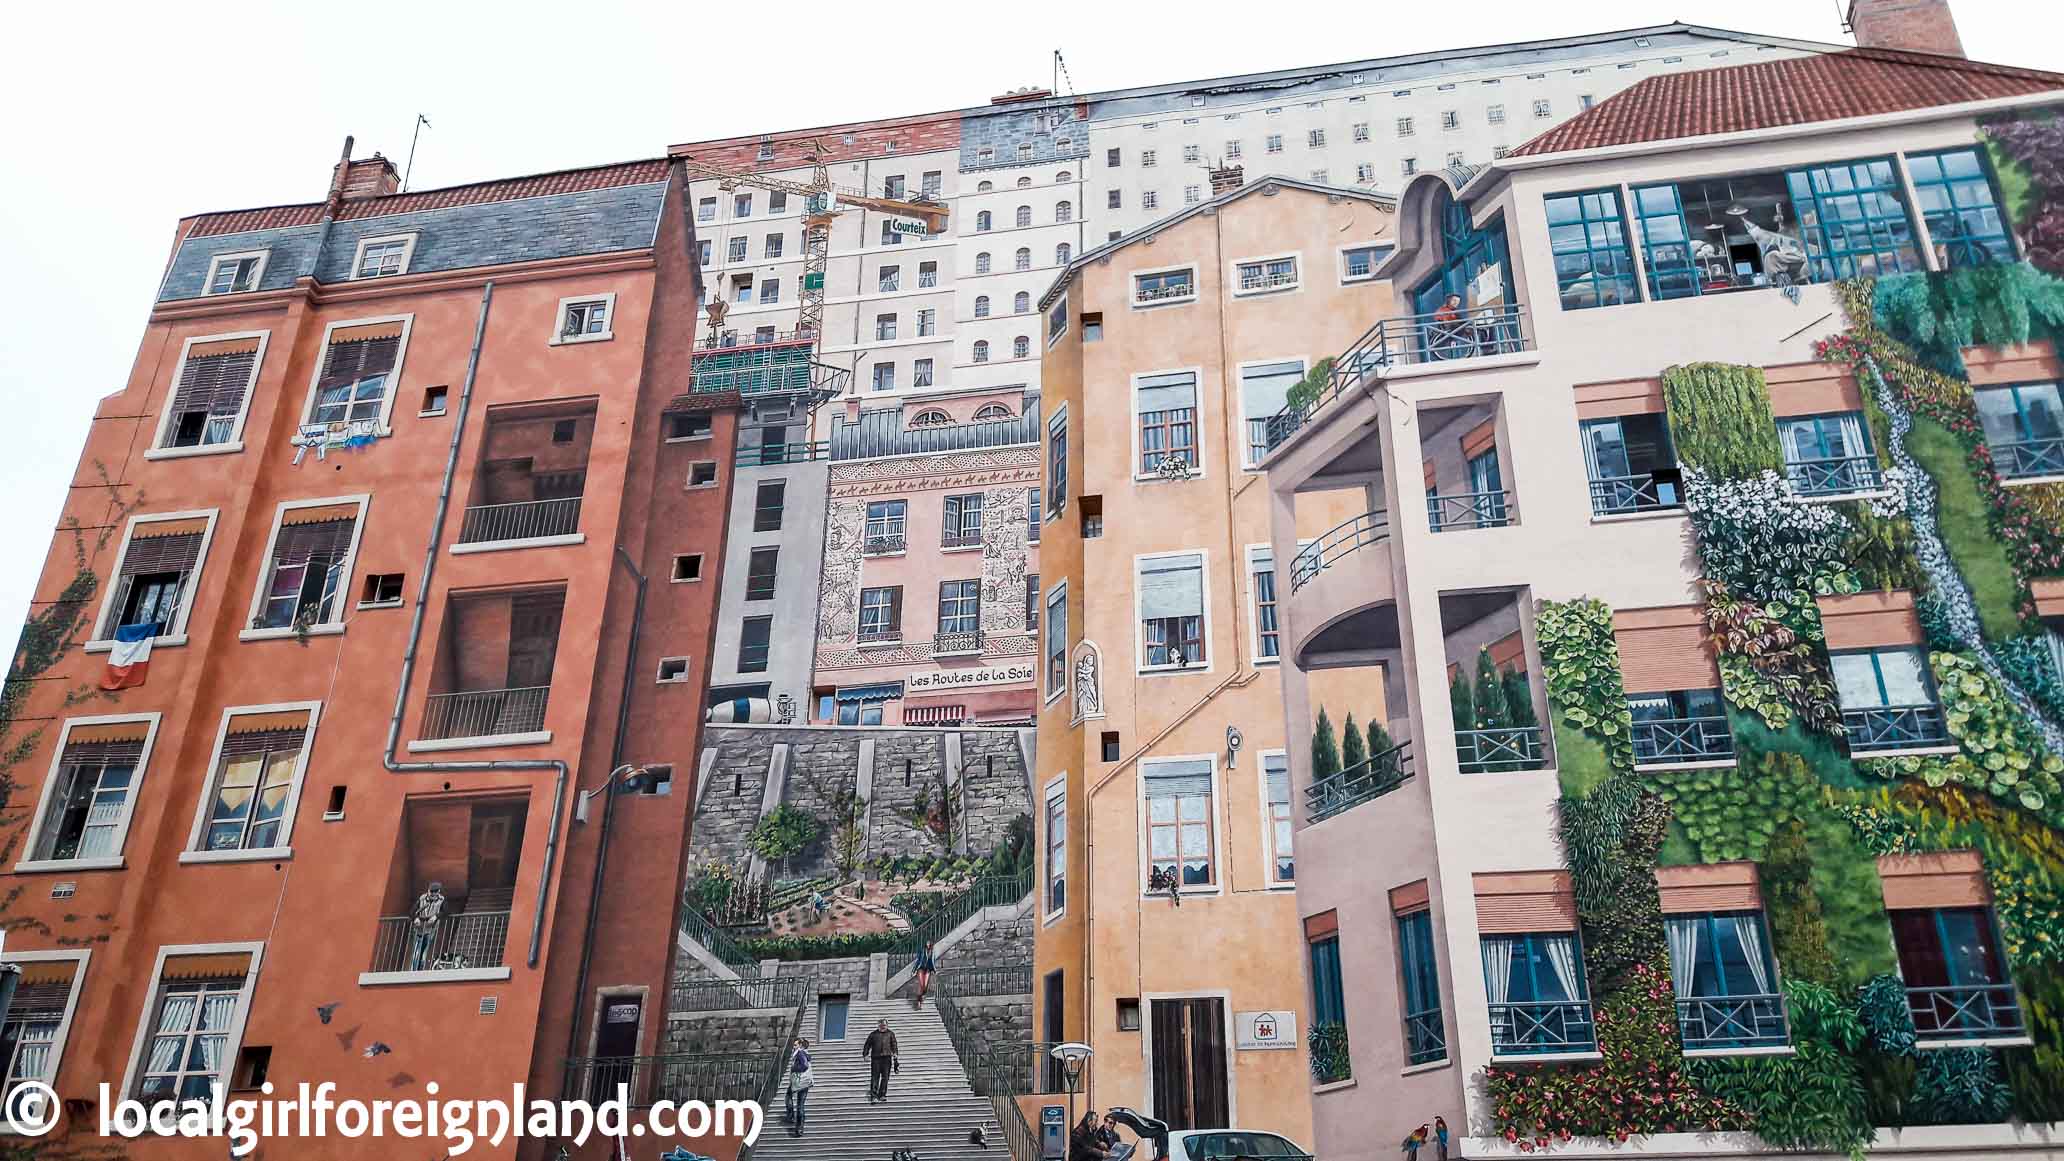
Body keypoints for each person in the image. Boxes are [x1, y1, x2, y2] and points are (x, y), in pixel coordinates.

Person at [408, 881, 446, 971]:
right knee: (416, 952)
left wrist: (436, 916)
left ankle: (420, 970)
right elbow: (412, 911)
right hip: (419, 929)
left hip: (430, 930)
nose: (432, 894)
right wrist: (415, 918)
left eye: (435, 892)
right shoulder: (422, 898)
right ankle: (414, 970)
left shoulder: (441, 900)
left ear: (438, 892)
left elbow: (446, 911)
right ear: (428, 891)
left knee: (424, 953)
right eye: (431, 891)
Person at [862, 1018, 899, 1102]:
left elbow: (894, 1044)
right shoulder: (873, 1034)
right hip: (876, 1058)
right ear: (879, 1025)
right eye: (881, 1025)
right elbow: (867, 1045)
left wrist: (895, 1053)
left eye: (884, 1025)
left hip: (887, 1058)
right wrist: (865, 1054)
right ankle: (874, 1096)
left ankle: (882, 1095)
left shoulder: (890, 1034)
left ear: (887, 1025)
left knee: (885, 1077)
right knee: (875, 1077)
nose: (883, 1027)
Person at [784, 1037, 813, 1133]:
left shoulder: (800, 1053)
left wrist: (794, 1068)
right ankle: (799, 1126)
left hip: (799, 1081)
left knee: (790, 1097)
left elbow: (804, 1066)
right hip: (804, 1082)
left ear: (800, 1045)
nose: (793, 1047)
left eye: (795, 1045)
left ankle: (792, 1117)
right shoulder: (804, 1053)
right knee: (800, 1104)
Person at [1427, 293, 1468, 360]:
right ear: (1449, 301)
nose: (1456, 303)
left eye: (1458, 301)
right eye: (1454, 301)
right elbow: (1445, 321)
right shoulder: (1444, 310)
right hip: (1447, 328)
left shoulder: (1454, 311)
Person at [913, 940, 937, 1005]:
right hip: (921, 968)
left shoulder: (933, 952)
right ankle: (919, 1002)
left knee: (925, 986)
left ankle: (921, 997)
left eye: (929, 942)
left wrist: (935, 970)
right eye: (927, 942)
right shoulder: (923, 950)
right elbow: (918, 961)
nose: (927, 943)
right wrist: (914, 970)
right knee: (921, 984)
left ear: (931, 944)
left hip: (928, 970)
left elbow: (933, 962)